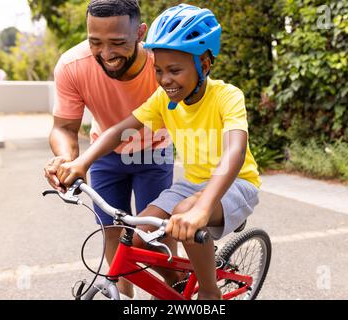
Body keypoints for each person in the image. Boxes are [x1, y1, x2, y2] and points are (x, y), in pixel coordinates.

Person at [56, 3, 261, 300]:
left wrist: (203, 207)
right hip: (191, 185)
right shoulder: (163, 99)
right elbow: (118, 131)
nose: (165, 80)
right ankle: (177, 284)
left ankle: (209, 293)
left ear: (203, 65)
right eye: (159, 70)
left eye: (175, 70)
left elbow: (235, 152)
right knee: (137, 237)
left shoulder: (227, 96)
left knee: (185, 213)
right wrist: (81, 162)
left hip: (236, 183)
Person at [44, 0, 175, 299]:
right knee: (112, 233)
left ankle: (174, 296)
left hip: (154, 152)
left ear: (140, 33)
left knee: (157, 236)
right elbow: (64, 127)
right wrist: (66, 159)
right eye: (95, 42)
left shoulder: (163, 63)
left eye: (118, 42)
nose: (106, 53)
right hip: (104, 155)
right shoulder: (72, 65)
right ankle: (125, 299)